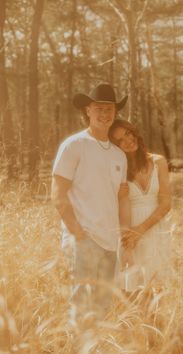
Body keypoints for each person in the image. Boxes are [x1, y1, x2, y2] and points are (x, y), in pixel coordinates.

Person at [51, 83, 130, 315]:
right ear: (88, 110)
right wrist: (78, 233)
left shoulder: (119, 155)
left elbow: (121, 199)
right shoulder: (74, 145)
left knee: (103, 304)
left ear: (115, 113)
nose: (104, 114)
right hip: (84, 238)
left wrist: (123, 238)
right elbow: (57, 193)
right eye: (99, 108)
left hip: (109, 240)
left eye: (109, 109)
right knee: (82, 304)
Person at [109, 119, 172, 292]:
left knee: (156, 287)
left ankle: (156, 319)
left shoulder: (158, 161)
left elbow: (166, 203)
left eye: (128, 133)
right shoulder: (117, 169)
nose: (128, 140)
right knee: (131, 287)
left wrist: (141, 230)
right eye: (120, 140)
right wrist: (129, 240)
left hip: (155, 228)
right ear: (115, 146)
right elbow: (119, 207)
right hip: (128, 232)